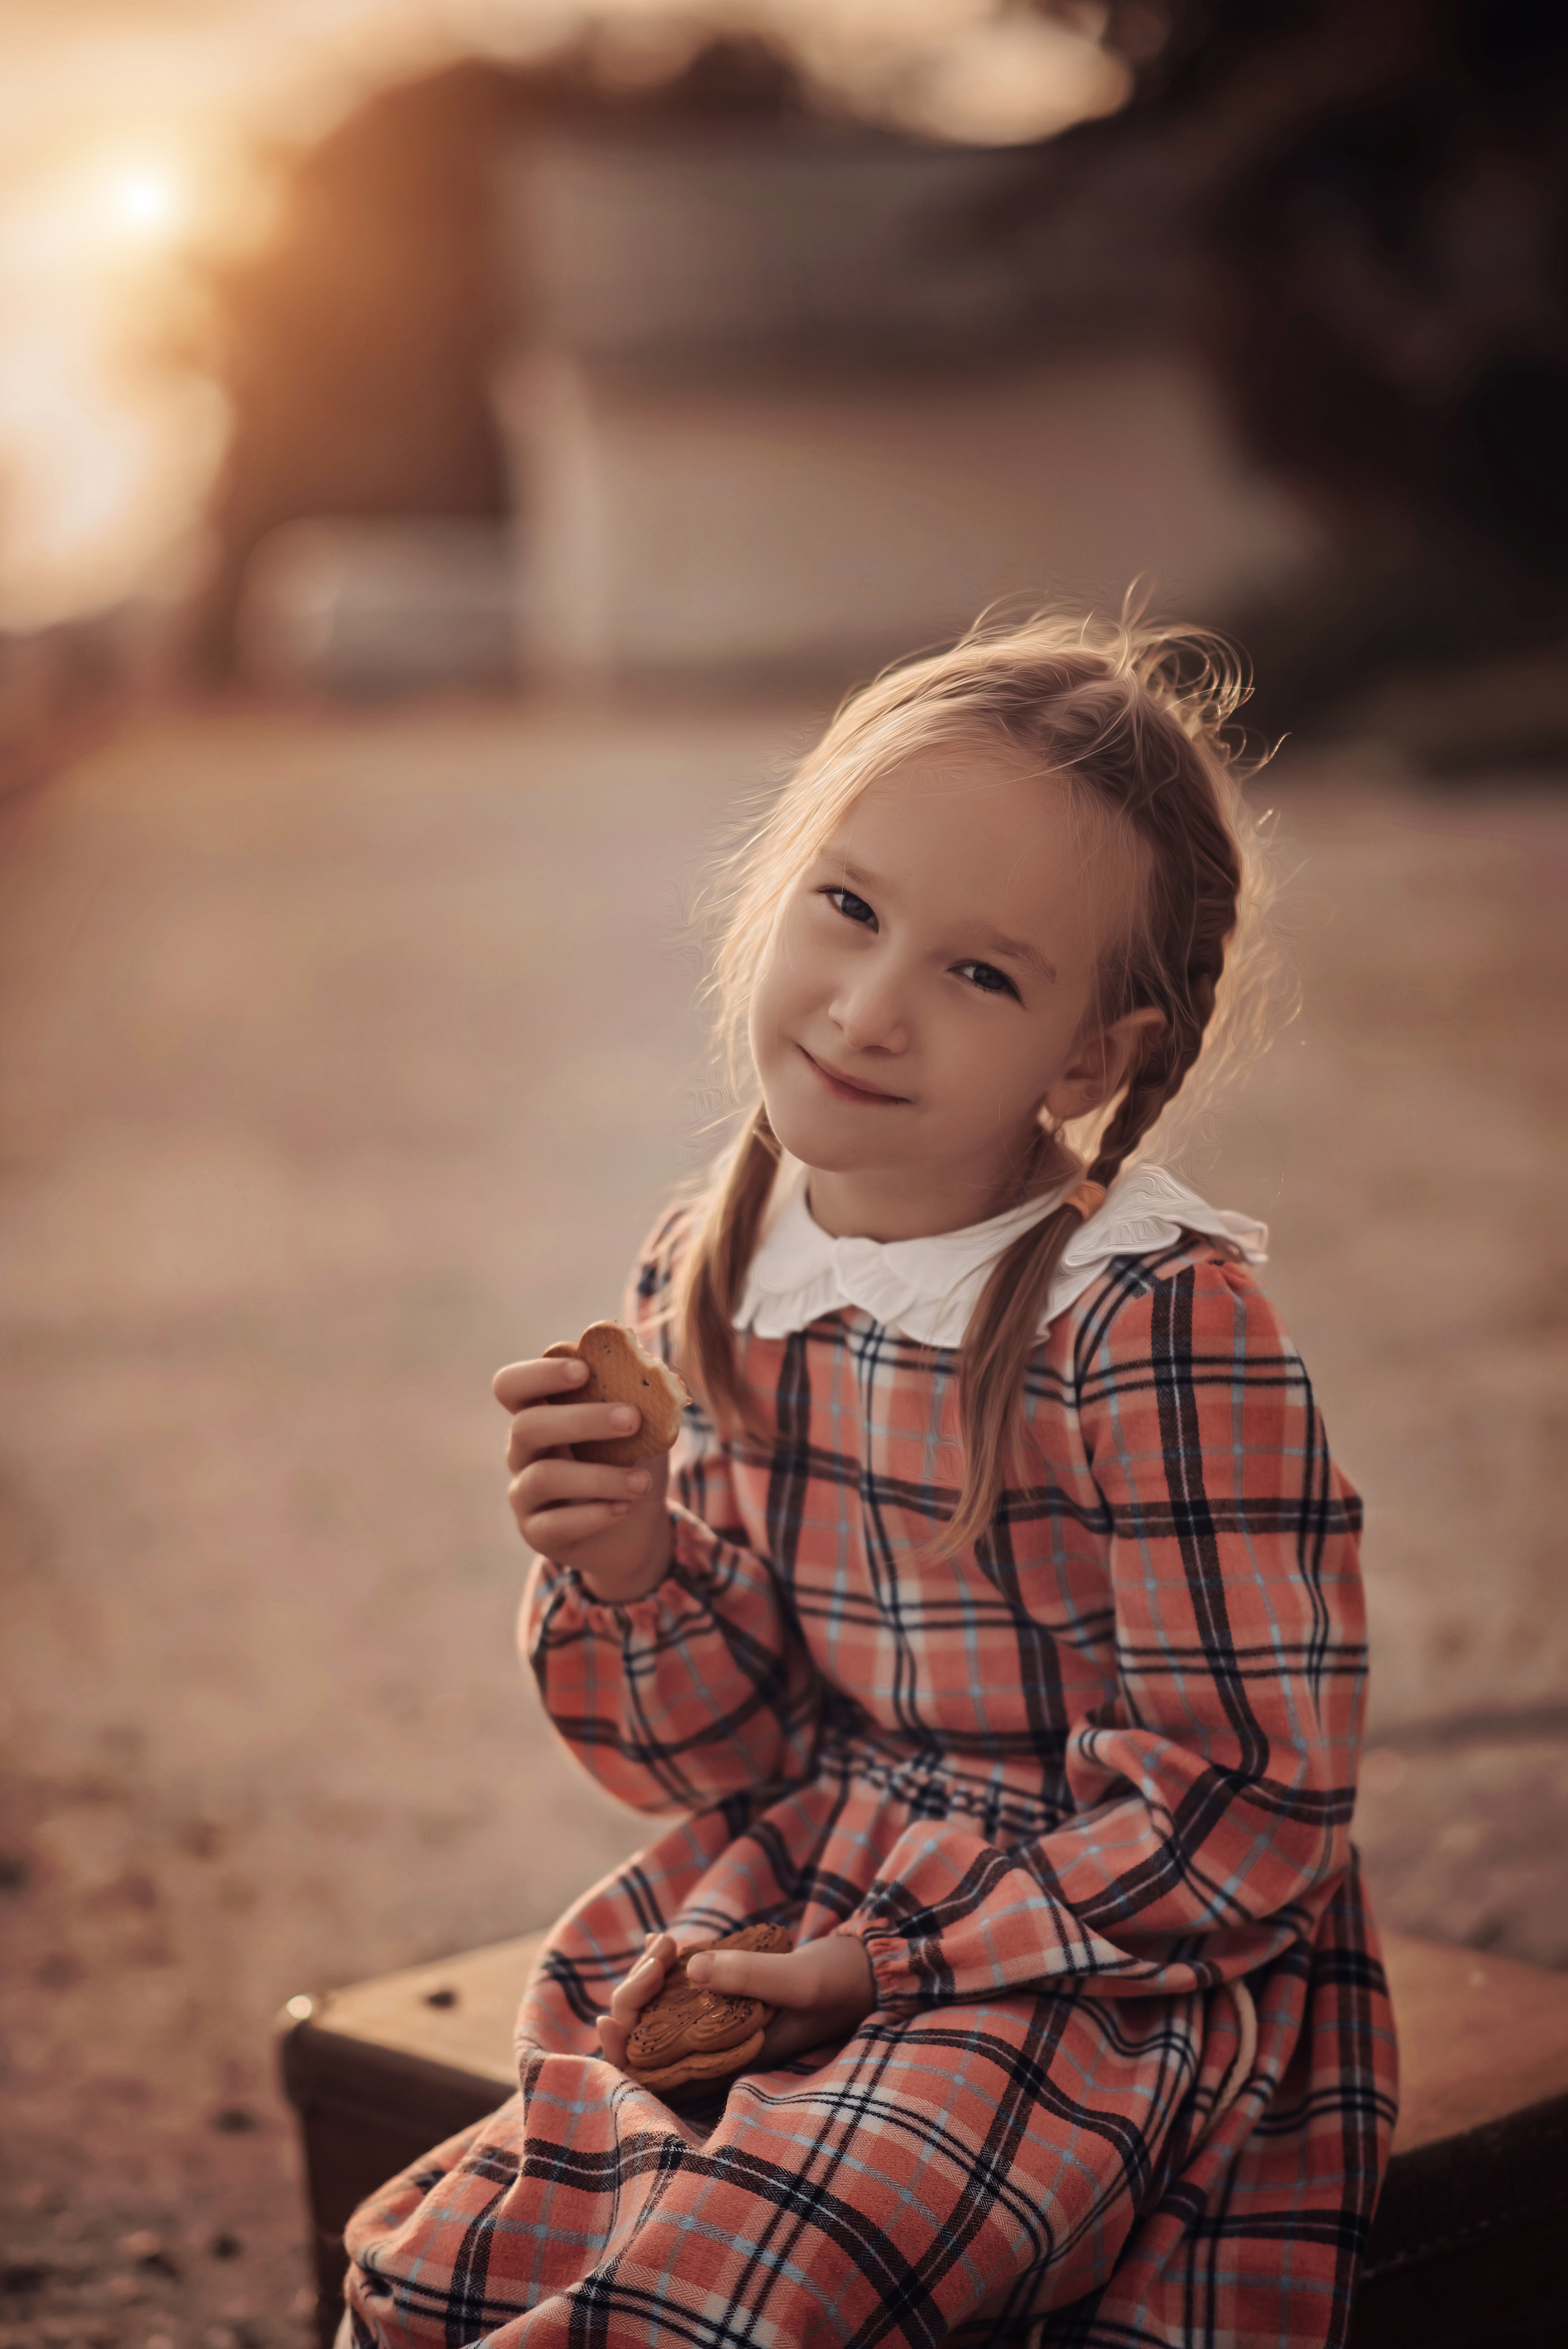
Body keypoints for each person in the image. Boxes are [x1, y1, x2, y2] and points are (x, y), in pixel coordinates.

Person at [344, 610, 1395, 2348]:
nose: (869, 1005)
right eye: (848, 905)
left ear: (1087, 1061)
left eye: (981, 973)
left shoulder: (1150, 1316)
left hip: (1106, 1958)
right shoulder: (718, 1257)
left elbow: (1249, 1811)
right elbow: (714, 1756)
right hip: (809, 1874)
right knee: (435, 2270)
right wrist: (630, 1566)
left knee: (731, 2288)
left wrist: (890, 1971)